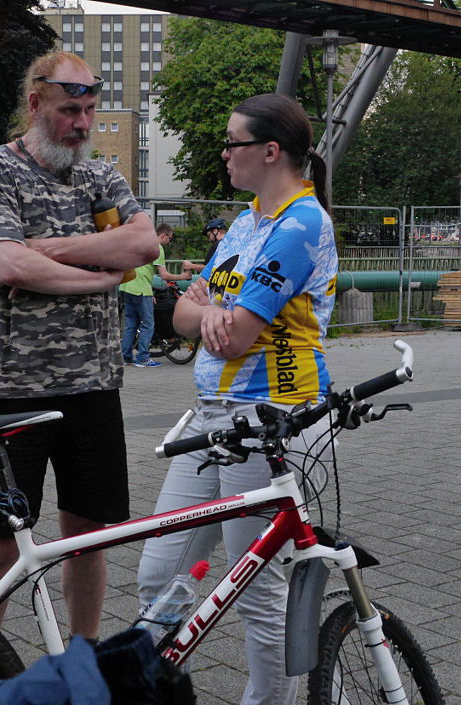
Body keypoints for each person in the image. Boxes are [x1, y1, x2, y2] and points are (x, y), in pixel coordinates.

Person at [0, 50, 159, 685]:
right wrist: (102, 278)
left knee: (88, 535)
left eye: (90, 111)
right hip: (11, 391)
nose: (81, 123)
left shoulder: (100, 178)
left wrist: (58, 251)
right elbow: (11, 266)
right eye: (69, 110)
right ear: (35, 103)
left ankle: (82, 661)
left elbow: (144, 244)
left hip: (95, 387)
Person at [137, 94, 338, 705]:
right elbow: (181, 313)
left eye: (233, 143)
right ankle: (158, 688)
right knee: (158, 576)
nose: (224, 153)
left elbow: (237, 335)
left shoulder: (302, 224)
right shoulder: (247, 221)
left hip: (269, 422)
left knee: (255, 592)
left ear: (270, 151)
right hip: (210, 420)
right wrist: (204, 313)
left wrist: (207, 312)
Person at [120, 223, 193, 368]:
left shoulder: (142, 243)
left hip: (126, 286)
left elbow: (141, 269)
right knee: (148, 324)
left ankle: (126, 357)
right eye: (170, 239)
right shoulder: (157, 248)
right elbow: (164, 275)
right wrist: (183, 276)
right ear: (163, 235)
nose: (169, 242)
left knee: (131, 324)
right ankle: (143, 358)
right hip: (141, 290)